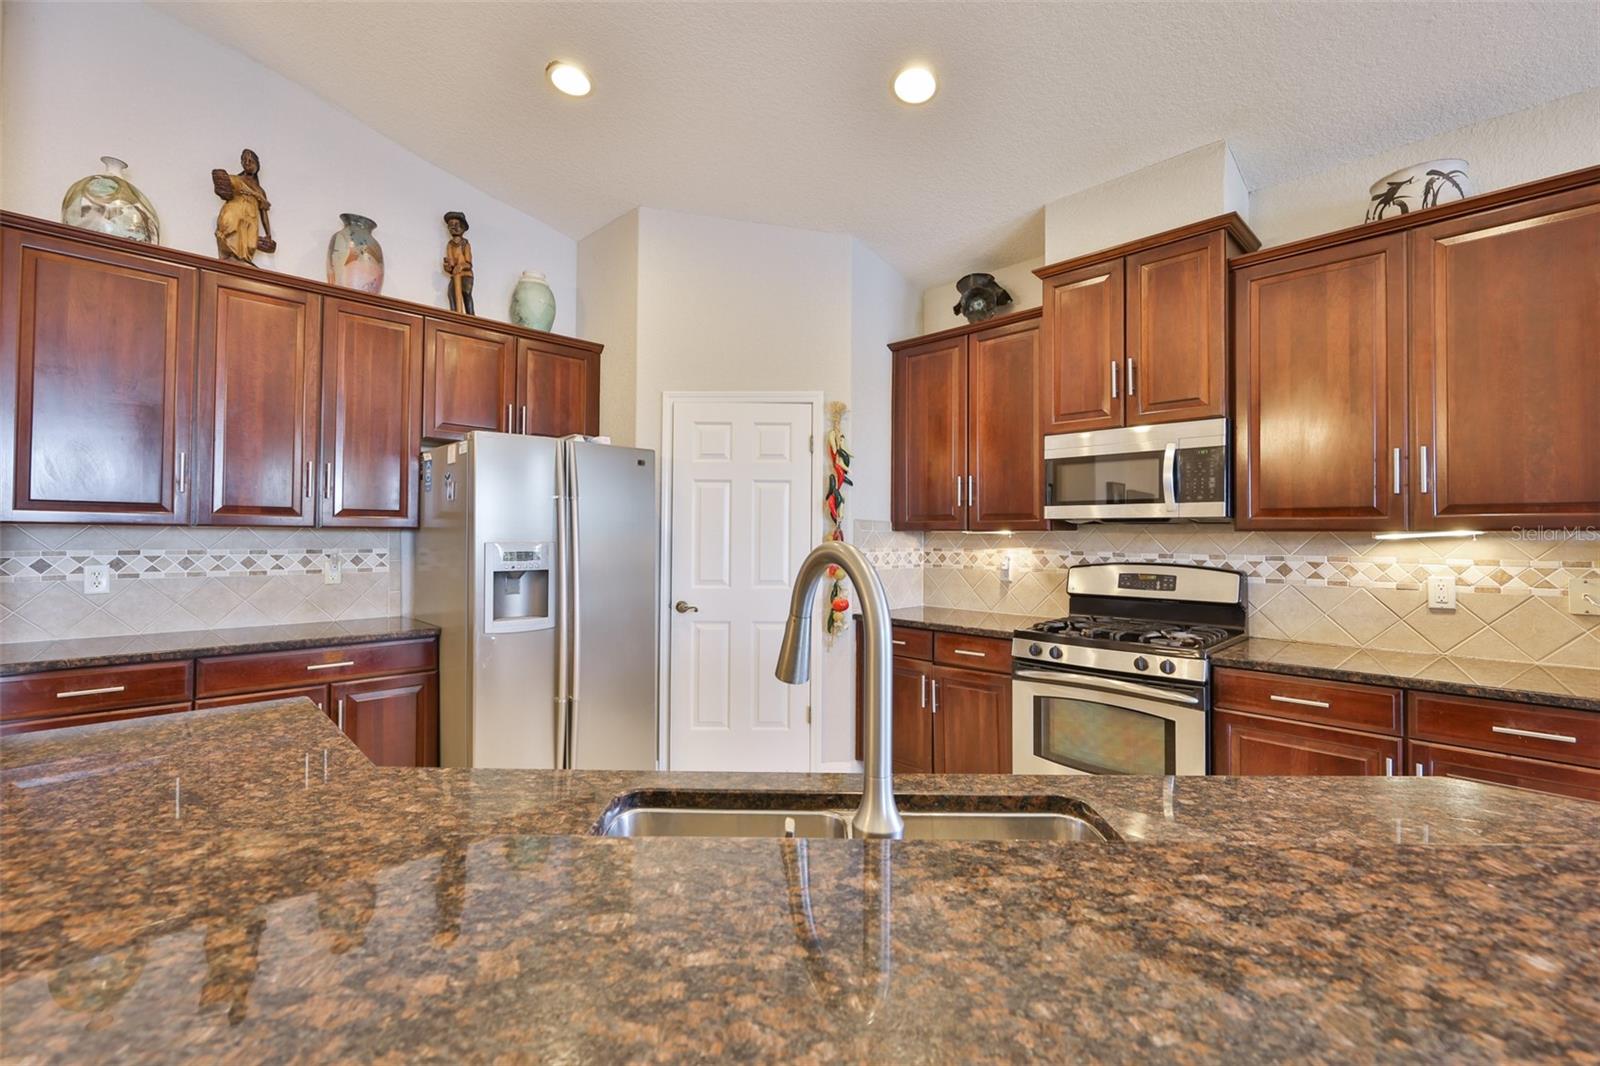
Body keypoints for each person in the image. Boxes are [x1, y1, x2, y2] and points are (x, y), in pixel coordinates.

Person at [211, 149, 274, 263]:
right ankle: (230, 257)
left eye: (251, 161)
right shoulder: (234, 179)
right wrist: (221, 180)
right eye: (244, 160)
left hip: (250, 219)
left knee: (250, 244)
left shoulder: (260, 191)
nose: (247, 163)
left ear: (257, 165)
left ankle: (243, 260)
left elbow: (264, 213)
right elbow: (222, 186)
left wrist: (268, 235)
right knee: (230, 229)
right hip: (233, 212)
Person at [442, 211, 474, 314]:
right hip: (455, 275)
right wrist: (448, 267)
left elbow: (469, 264)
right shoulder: (450, 244)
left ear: (462, 227)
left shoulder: (465, 244)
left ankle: (471, 316)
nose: (453, 227)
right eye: (450, 225)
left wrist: (461, 266)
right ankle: (454, 315)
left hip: (466, 275)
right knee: (451, 294)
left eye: (456, 224)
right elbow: (451, 263)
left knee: (466, 293)